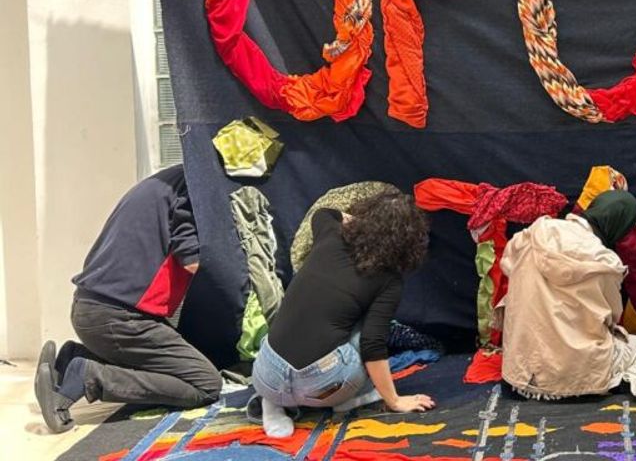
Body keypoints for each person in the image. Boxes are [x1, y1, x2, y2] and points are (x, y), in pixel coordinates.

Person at [34, 165, 222, 433]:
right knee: (205, 383)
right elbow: (195, 263)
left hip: (94, 308)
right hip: (121, 318)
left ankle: (68, 363)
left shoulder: (170, 182)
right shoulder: (193, 190)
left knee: (179, 365)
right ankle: (88, 377)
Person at [252, 189, 434, 438]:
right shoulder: (389, 281)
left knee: (299, 325)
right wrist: (394, 400)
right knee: (364, 326)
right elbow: (372, 344)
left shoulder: (330, 232)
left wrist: (365, 224)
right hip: (325, 388)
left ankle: (273, 403)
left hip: (266, 376)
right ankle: (351, 398)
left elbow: (324, 212)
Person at [499, 190, 636, 410]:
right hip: (570, 377)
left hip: (518, 375)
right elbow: (611, 315)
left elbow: (508, 265)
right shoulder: (604, 260)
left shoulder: (532, 235)